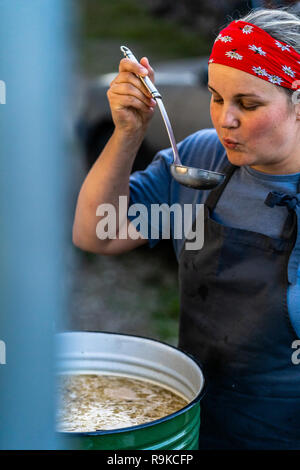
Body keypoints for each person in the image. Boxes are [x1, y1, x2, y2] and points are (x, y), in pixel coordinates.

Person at [72, 7, 300, 449]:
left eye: (248, 104)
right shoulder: (202, 161)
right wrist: (127, 134)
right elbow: (97, 234)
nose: (224, 120)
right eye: (216, 97)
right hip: (193, 422)